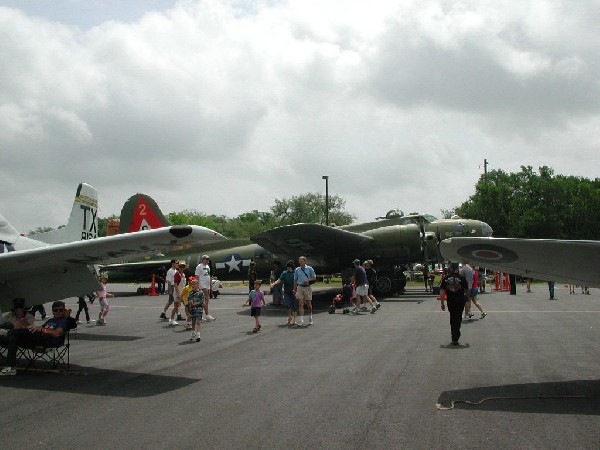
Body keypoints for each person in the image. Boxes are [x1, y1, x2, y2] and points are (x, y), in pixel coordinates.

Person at [0, 300, 70, 376]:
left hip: (48, 339)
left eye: (61, 310)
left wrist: (39, 329)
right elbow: (39, 328)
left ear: (64, 311)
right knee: (14, 337)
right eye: (56, 310)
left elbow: (56, 333)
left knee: (17, 331)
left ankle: (8, 333)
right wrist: (35, 328)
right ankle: (10, 367)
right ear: (53, 311)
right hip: (38, 338)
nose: (58, 312)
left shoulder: (64, 321)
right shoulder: (50, 320)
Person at [439, 262, 468, 346]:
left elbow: (442, 291)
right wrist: (467, 297)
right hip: (460, 301)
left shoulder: (446, 278)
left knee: (452, 317)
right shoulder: (462, 278)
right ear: (456, 269)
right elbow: (467, 289)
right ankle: (456, 335)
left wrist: (442, 302)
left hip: (451, 301)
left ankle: (454, 336)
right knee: (458, 317)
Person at [271, 260, 297, 326]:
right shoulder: (284, 273)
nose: (288, 268)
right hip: (287, 291)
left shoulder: (295, 273)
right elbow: (280, 279)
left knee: (294, 306)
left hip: (294, 291)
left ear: (292, 267)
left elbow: (297, 281)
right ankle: (289, 316)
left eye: (289, 267)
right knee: (286, 304)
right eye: (287, 267)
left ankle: (294, 319)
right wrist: (274, 284)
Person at [293, 256, 316, 327]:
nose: (300, 262)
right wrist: (294, 289)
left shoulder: (309, 269)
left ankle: (310, 316)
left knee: (309, 304)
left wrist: (308, 280)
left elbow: (314, 277)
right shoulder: (297, 269)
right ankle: (301, 320)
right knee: (301, 304)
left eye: (301, 261)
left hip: (307, 287)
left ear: (305, 262)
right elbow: (295, 280)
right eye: (299, 261)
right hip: (300, 287)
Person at [195, 255, 215, 321]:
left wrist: (211, 286)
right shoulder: (199, 267)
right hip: (202, 285)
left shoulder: (208, 267)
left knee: (206, 300)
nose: (207, 260)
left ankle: (201, 314)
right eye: (206, 259)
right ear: (203, 259)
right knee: (205, 300)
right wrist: (197, 286)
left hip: (207, 285)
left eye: (208, 259)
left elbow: (209, 276)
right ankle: (207, 314)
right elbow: (197, 277)